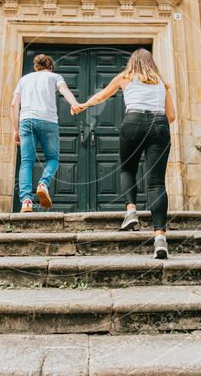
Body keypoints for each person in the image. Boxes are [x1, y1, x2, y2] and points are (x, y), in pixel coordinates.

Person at [73, 49, 176, 259]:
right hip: (159, 124)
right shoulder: (162, 83)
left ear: (132, 63)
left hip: (133, 121)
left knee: (128, 167)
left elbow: (101, 96)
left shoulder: (125, 77)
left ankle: (131, 211)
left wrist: (82, 105)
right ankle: (160, 239)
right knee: (156, 183)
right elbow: (172, 116)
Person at [11, 54, 80, 213]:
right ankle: (43, 183)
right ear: (51, 67)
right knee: (53, 159)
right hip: (48, 121)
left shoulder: (24, 79)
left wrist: (16, 129)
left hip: (26, 121)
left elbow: (14, 105)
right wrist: (74, 104)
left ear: (36, 66)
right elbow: (65, 91)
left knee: (27, 162)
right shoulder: (55, 77)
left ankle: (26, 201)